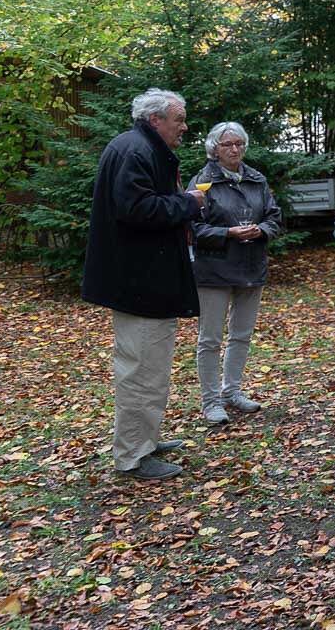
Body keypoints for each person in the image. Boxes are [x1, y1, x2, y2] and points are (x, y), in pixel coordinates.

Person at [82, 88, 205, 480]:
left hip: (144, 279)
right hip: (140, 282)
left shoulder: (137, 147)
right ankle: (134, 455)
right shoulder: (137, 150)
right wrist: (188, 203)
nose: (184, 127)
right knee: (141, 371)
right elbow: (136, 209)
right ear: (156, 120)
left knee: (149, 367)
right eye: (178, 119)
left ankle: (144, 439)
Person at [190, 122, 282, 425]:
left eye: (239, 143)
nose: (234, 149)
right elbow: (193, 227)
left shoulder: (256, 179)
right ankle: (211, 400)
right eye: (228, 144)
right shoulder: (202, 181)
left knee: (241, 334)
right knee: (210, 338)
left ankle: (232, 391)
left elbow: (274, 217)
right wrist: (227, 233)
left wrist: (261, 230)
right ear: (214, 148)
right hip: (213, 269)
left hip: (251, 265)